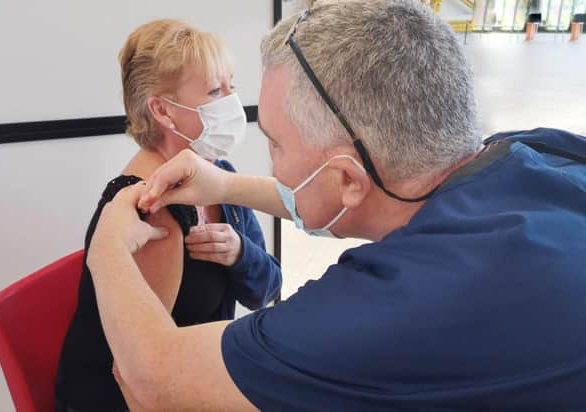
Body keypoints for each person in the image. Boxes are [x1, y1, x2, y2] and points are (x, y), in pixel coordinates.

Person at [85, 1, 586, 410]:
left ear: (347, 178)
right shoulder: (541, 151)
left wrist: (105, 246)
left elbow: (151, 379)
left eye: (275, 144)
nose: (271, 164)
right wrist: (224, 187)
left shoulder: (382, 312)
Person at [55, 20, 282, 412]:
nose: (232, 101)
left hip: (195, 377)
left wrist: (241, 254)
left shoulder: (219, 176)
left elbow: (266, 290)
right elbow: (138, 378)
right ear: (162, 110)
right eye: (215, 91)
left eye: (232, 85)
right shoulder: (147, 211)